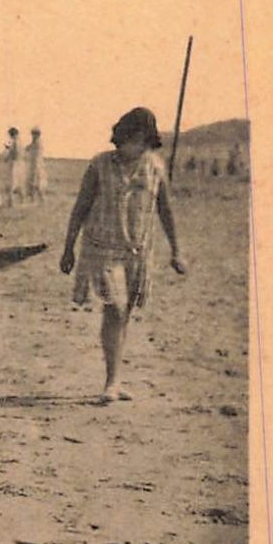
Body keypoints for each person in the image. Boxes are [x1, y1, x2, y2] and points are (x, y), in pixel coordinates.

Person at [60, 107, 186, 404]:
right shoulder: (99, 165)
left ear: (148, 141)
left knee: (124, 314)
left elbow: (166, 211)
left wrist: (177, 250)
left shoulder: (154, 167)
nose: (134, 146)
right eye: (130, 139)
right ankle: (111, 382)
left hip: (137, 253)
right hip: (101, 250)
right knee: (115, 309)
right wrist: (68, 248)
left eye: (141, 141)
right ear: (121, 137)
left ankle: (114, 377)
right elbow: (80, 207)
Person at [25, 127, 48, 203]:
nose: (32, 136)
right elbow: (27, 148)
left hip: (37, 165)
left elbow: (35, 154)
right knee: (33, 184)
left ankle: (40, 200)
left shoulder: (38, 143)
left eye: (33, 134)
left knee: (36, 184)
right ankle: (35, 200)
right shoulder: (34, 143)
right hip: (33, 165)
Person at [3, 127, 24, 207]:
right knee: (17, 182)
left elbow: (13, 153)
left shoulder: (14, 142)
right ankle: (21, 200)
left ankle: (11, 202)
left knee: (12, 183)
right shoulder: (19, 142)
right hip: (19, 163)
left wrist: (7, 157)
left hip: (14, 163)